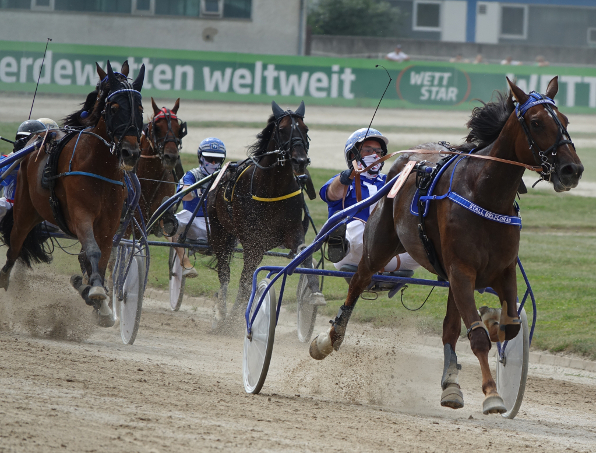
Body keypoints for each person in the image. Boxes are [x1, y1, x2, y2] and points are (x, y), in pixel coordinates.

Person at [320, 128, 419, 274]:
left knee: (420, 244)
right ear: (353, 154)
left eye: (378, 152)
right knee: (356, 227)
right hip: (352, 252)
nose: (374, 155)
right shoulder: (343, 181)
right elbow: (331, 194)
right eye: (368, 150)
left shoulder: (389, 181)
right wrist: (344, 178)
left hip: (387, 252)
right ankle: (339, 243)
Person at [168, 137, 226, 278]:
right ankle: (185, 262)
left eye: (216, 160)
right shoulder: (192, 175)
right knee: (167, 223)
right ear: (200, 158)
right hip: (192, 222)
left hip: (218, 226)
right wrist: (200, 191)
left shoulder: (226, 176)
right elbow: (184, 194)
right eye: (209, 158)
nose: (213, 163)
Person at [0, 119, 50, 222]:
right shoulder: (6, 159)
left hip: (36, 210)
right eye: (21, 139)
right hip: (11, 206)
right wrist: (16, 154)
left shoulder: (47, 162)